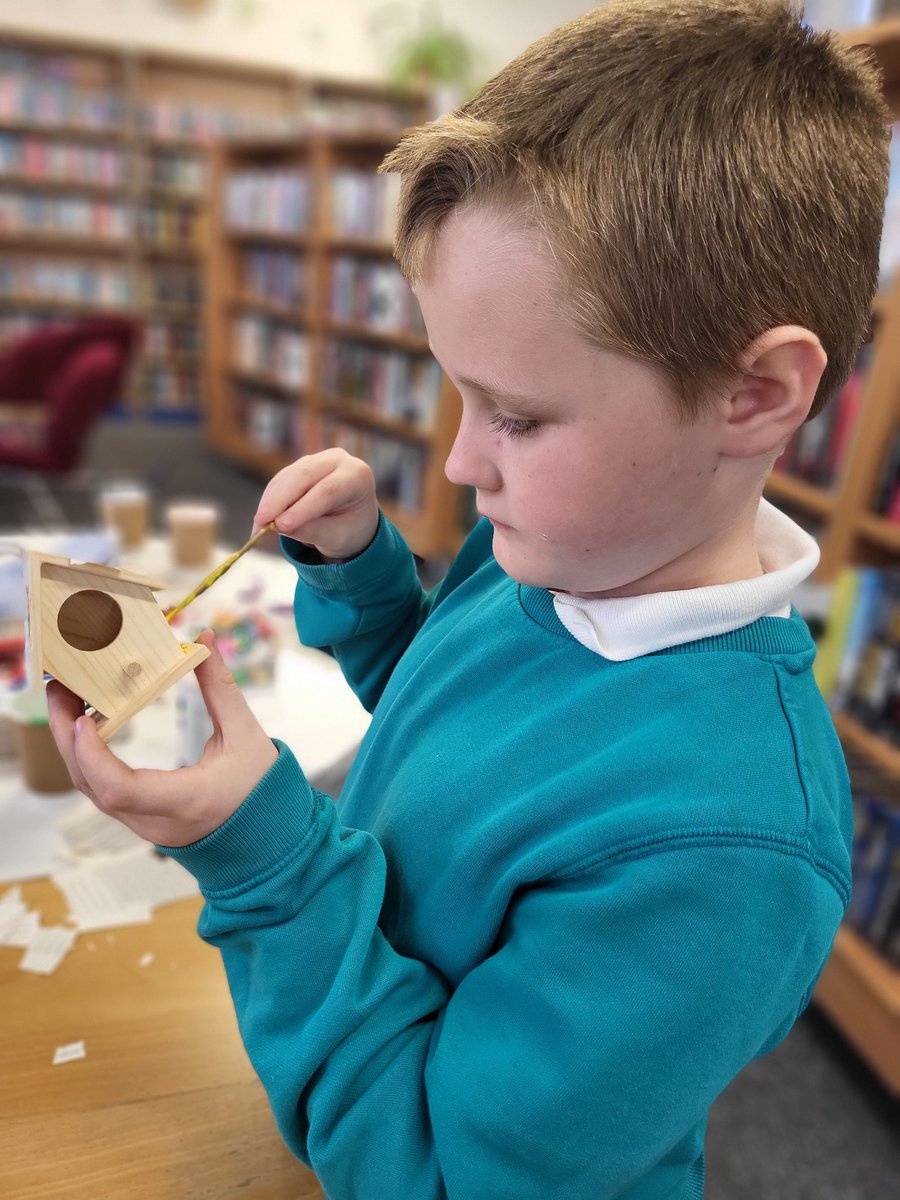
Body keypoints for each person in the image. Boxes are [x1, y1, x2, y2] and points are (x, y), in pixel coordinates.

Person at [48, 2, 889, 1196]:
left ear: (756, 394)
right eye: (455, 393)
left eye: (519, 415)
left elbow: (435, 1170)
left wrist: (264, 862)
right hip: (336, 1033)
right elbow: (454, 725)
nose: (457, 463)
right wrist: (365, 572)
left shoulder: (728, 846)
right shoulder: (567, 546)